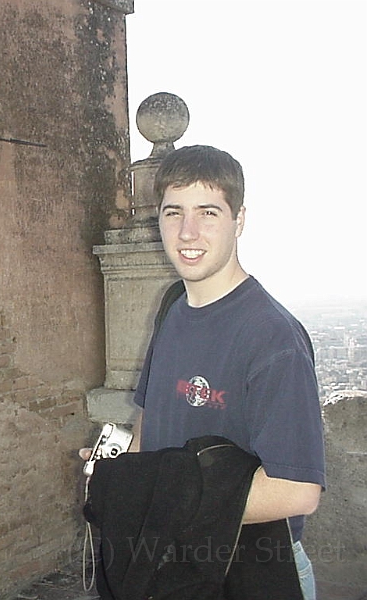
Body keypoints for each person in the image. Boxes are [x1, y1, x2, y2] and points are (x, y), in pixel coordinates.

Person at [82, 145, 325, 599]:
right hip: (174, 564)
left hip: (253, 567)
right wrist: (120, 476)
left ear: (240, 220)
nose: (187, 232)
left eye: (208, 212)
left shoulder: (272, 338)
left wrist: (151, 498)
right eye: (174, 212)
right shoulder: (173, 305)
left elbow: (297, 491)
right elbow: (149, 418)